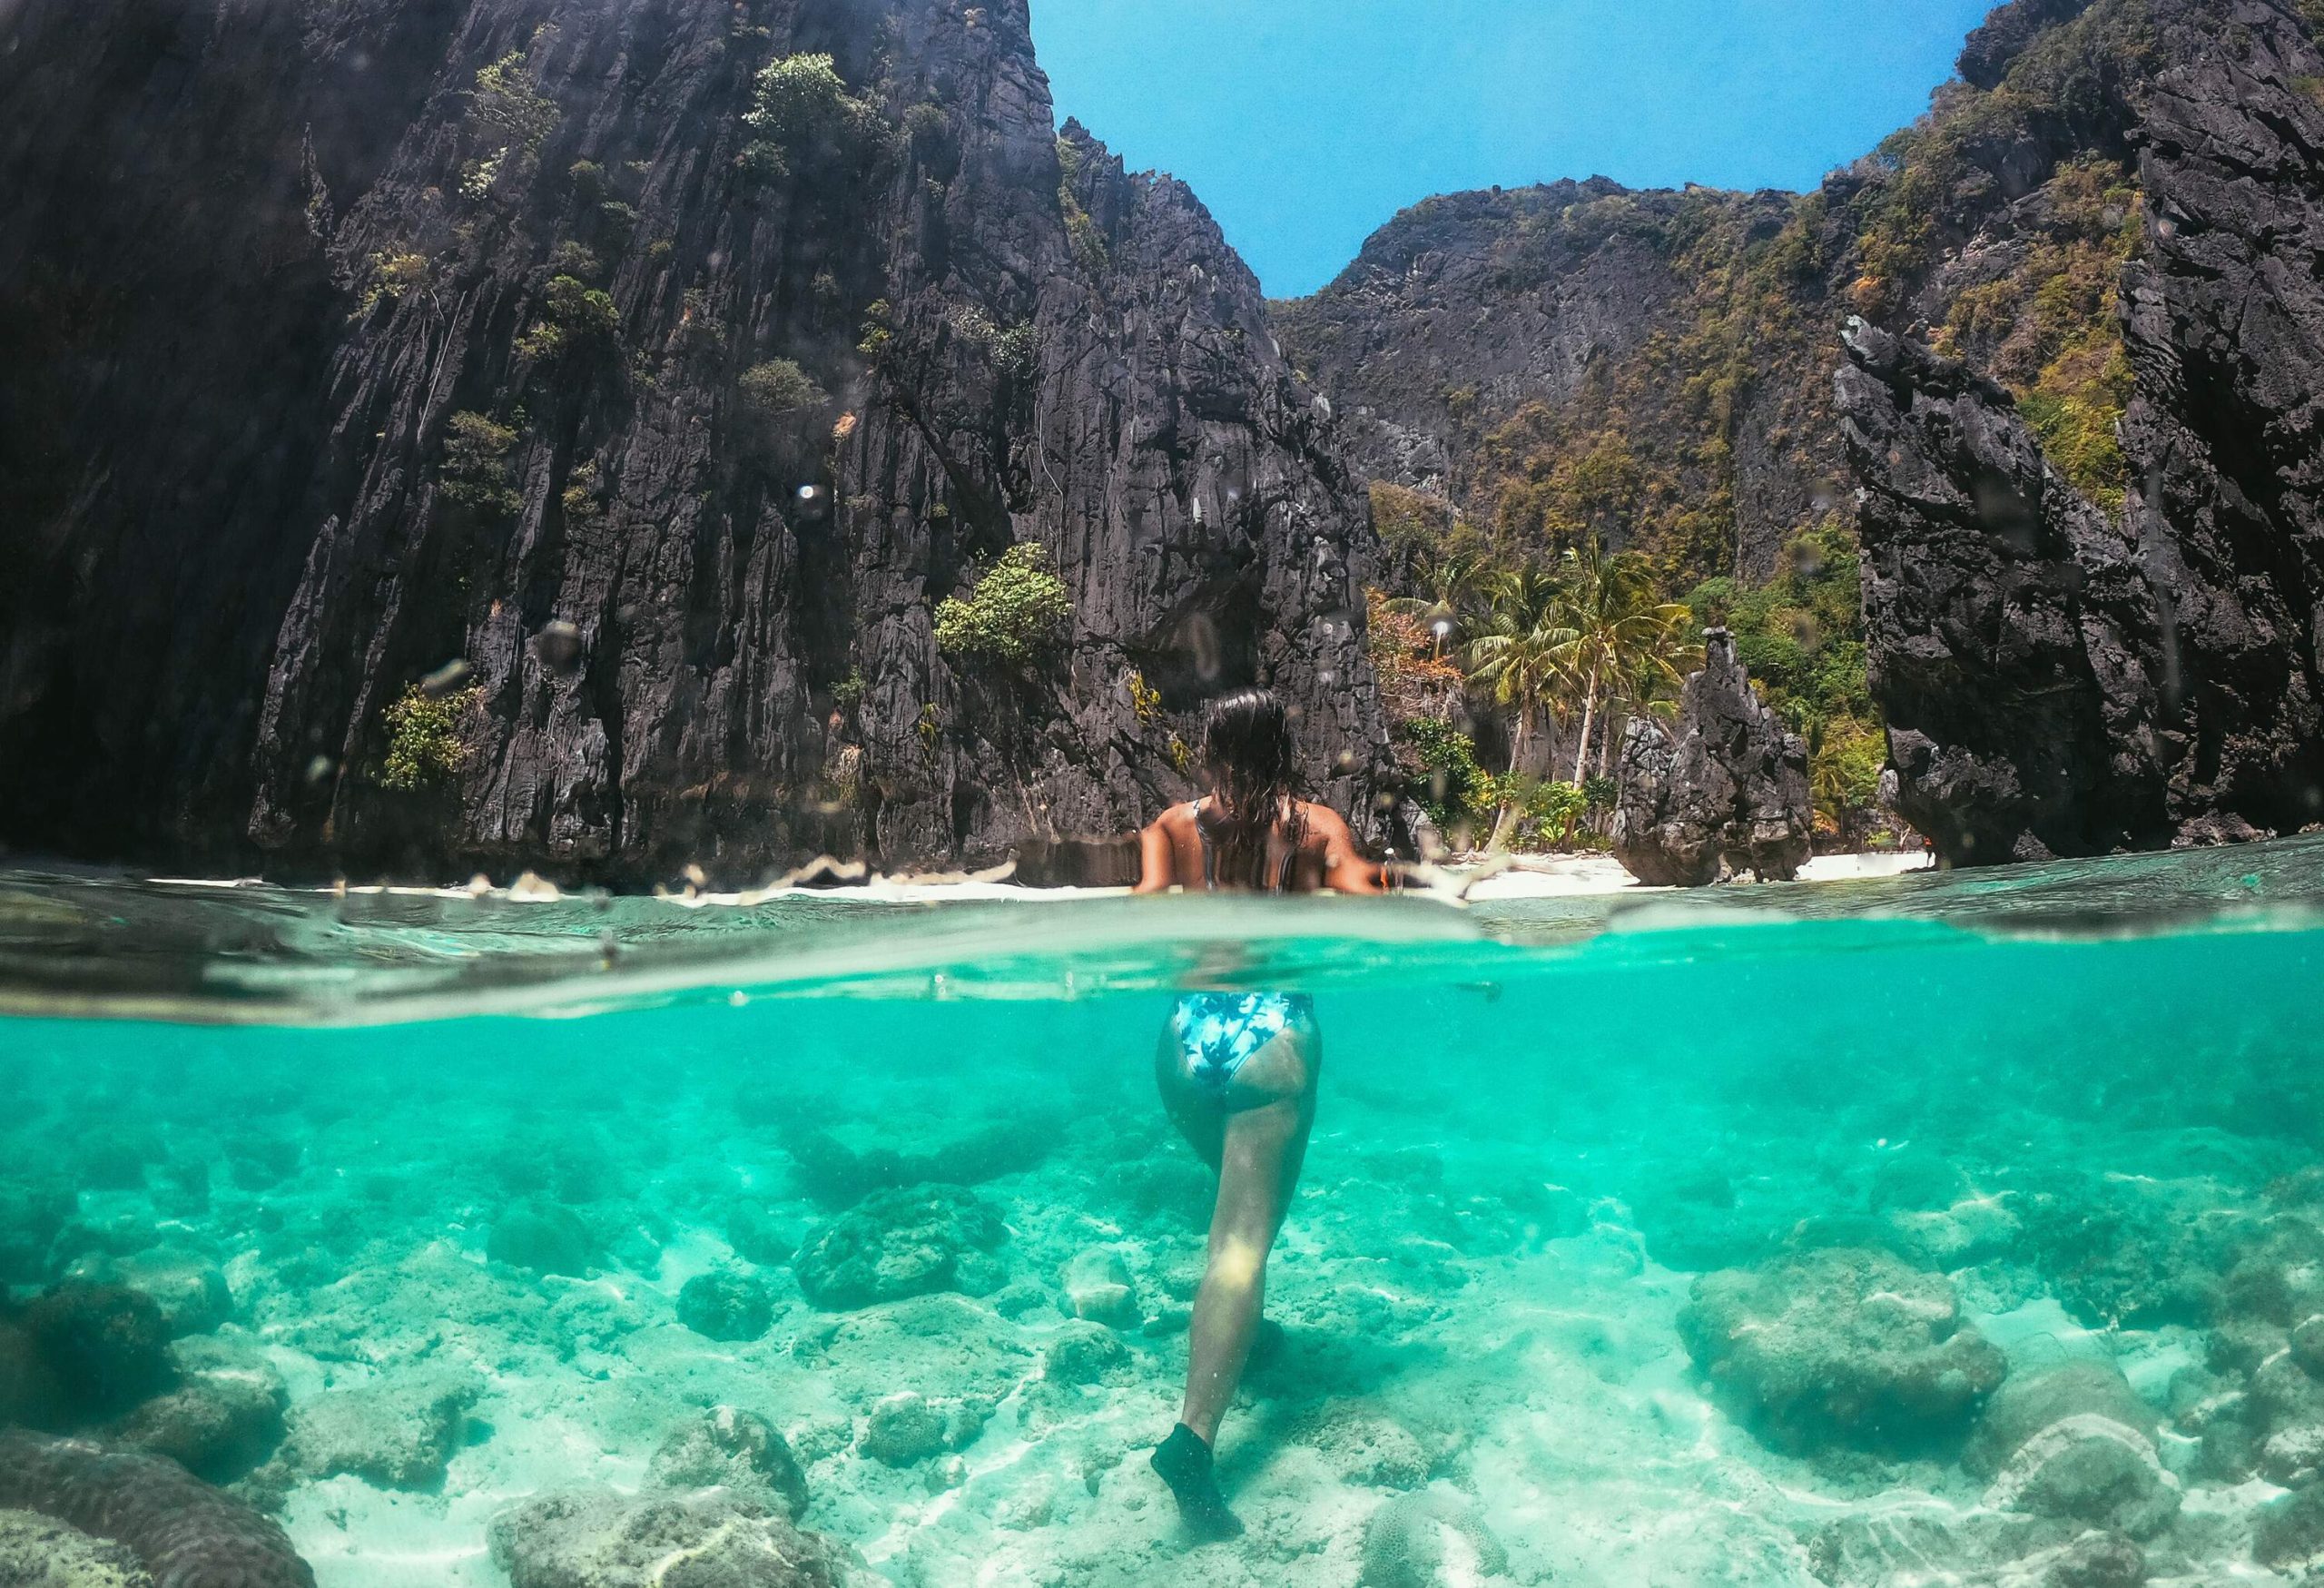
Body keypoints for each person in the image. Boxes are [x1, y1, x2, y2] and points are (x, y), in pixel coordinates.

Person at [1134, 688, 1381, 1540]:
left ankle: (1243, 1333)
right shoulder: (1315, 828)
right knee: (1241, 1243)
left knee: (1240, 1220)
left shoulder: (1169, 825)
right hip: (1271, 1038)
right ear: (1288, 746)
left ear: (1206, 750)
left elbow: (1140, 917)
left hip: (1182, 1041)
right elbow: (1372, 900)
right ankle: (1194, 1440)